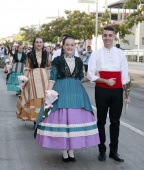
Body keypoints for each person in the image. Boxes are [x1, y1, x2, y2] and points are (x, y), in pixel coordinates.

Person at [34, 36, 100, 162]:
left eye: (72, 45)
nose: (69, 47)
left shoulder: (79, 61)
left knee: (74, 120)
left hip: (77, 93)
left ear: (75, 47)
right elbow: (52, 78)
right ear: (63, 46)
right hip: (61, 91)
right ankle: (64, 150)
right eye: (67, 45)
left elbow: (81, 78)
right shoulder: (57, 60)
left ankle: (71, 150)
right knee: (62, 120)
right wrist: (48, 94)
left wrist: (92, 77)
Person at [88, 25, 128, 162]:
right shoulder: (96, 54)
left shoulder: (121, 54)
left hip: (117, 91)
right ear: (102, 37)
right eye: (105, 35)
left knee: (115, 122)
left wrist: (127, 95)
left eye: (110, 35)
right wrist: (105, 81)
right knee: (101, 121)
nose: (107, 38)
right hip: (102, 90)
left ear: (114, 36)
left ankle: (113, 151)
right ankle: (102, 150)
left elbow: (125, 76)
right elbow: (90, 75)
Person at [16, 37, 50, 123]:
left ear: (43, 44)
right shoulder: (30, 54)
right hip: (33, 78)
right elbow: (27, 68)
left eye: (40, 42)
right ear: (34, 44)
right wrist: (23, 81)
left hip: (45, 77)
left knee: (45, 96)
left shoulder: (46, 54)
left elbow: (48, 65)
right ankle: (35, 119)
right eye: (37, 42)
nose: (39, 44)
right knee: (34, 95)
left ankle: (44, 117)